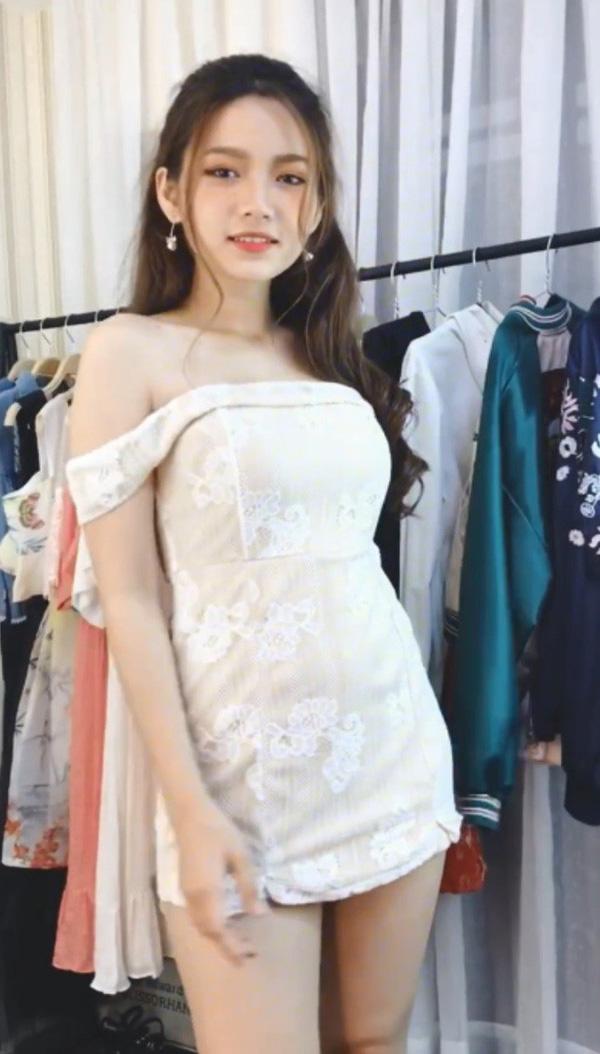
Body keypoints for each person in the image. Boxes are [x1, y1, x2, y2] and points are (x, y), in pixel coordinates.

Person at [67, 52, 462, 1054]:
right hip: (241, 789)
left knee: (373, 1043)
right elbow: (131, 601)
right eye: (224, 170)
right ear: (171, 192)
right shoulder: (128, 352)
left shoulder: (330, 355)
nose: (259, 202)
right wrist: (191, 812)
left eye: (290, 176)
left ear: (317, 204)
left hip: (392, 752)